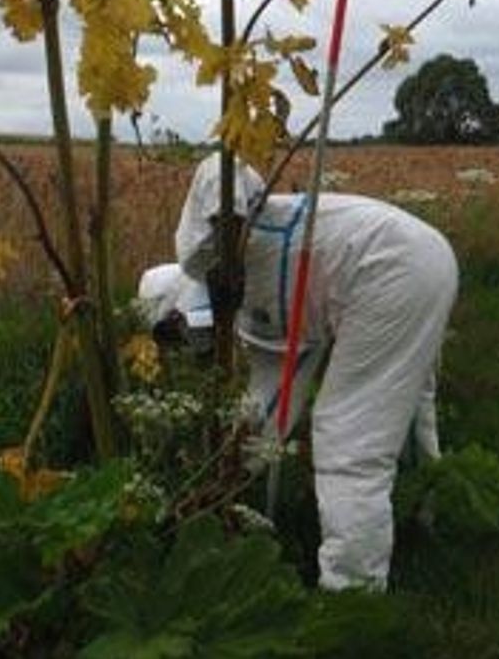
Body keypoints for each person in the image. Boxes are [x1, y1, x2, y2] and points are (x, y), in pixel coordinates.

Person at [169, 150, 458, 592]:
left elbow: (222, 166)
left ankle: (351, 594)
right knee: (407, 399)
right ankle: (428, 508)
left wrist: (227, 225)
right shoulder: (257, 273)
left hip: (388, 266)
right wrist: (231, 473)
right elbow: (272, 387)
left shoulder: (236, 258)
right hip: (420, 255)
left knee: (348, 437)